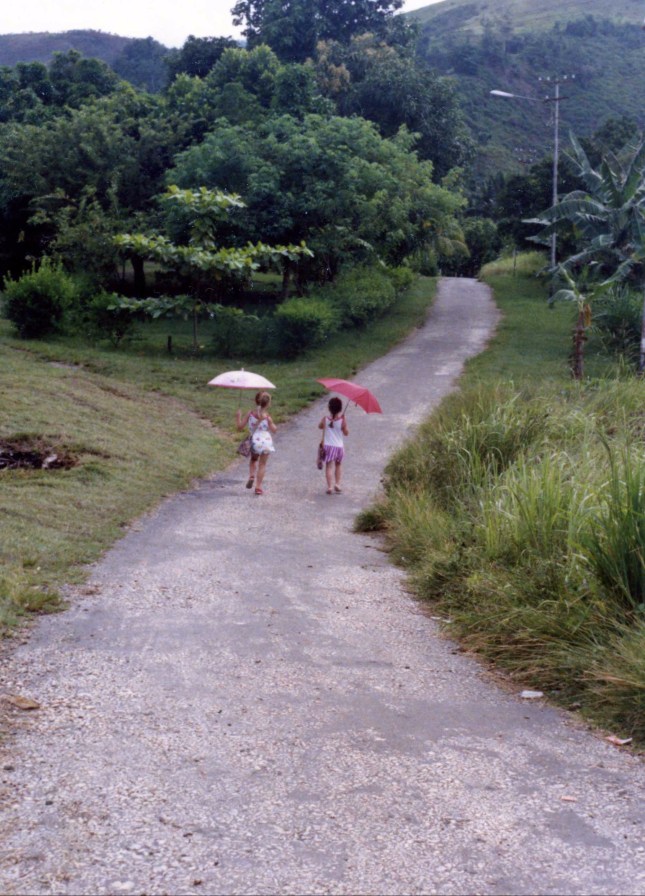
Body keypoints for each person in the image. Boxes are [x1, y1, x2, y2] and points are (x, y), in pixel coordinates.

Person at [236, 391, 276, 496]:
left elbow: (240, 427)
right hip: (266, 442)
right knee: (262, 465)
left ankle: (251, 475)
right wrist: (271, 423)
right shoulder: (267, 417)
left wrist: (238, 417)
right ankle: (258, 487)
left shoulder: (250, 414)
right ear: (268, 404)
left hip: (255, 441)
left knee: (253, 460)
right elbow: (274, 430)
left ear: (255, 401)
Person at [318, 396, 349, 494]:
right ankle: (338, 484)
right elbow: (346, 433)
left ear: (329, 408)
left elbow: (320, 426)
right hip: (339, 447)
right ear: (340, 409)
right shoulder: (342, 420)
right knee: (338, 465)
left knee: (329, 466)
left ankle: (330, 487)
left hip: (328, 446)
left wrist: (326, 424)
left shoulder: (325, 419)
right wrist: (344, 423)